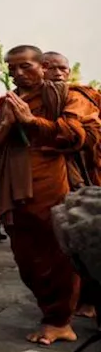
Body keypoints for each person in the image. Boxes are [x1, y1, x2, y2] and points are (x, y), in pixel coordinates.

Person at [0, 45, 92, 345]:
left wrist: (31, 122)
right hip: (12, 188)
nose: (17, 74)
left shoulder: (66, 96)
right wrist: (8, 125)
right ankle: (49, 311)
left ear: (43, 66)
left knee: (56, 253)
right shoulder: (4, 104)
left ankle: (59, 320)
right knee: (26, 258)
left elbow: (74, 134)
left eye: (25, 67)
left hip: (51, 183)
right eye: (12, 69)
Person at [43, 52, 101, 320]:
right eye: (50, 68)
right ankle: (69, 299)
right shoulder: (32, 99)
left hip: (89, 169)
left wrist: (73, 133)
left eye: (62, 68)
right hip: (54, 172)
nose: (57, 73)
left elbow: (91, 130)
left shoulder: (81, 96)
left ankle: (91, 299)